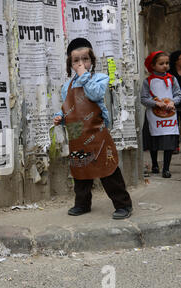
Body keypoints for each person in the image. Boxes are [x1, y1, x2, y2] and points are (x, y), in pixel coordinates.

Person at [53, 37, 133, 220]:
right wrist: (60, 117)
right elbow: (67, 107)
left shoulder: (100, 79)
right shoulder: (67, 86)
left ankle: (123, 205)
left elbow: (95, 94)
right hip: (76, 133)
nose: (81, 63)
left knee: (107, 168)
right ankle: (82, 204)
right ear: (70, 64)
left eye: (85, 59)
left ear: (92, 61)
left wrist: (85, 77)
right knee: (80, 170)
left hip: (95, 129)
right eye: (76, 61)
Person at [141, 51, 181, 178]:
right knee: (154, 141)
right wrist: (155, 103)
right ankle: (155, 165)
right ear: (153, 65)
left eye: (167, 63)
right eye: (161, 63)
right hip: (153, 116)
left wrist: (173, 102)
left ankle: (166, 169)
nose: (165, 66)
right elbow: (143, 98)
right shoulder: (148, 81)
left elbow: (178, 94)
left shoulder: (172, 79)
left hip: (169, 115)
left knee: (169, 141)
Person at [169, 50, 181, 153]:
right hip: (174, 101)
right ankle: (175, 146)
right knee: (174, 125)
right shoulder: (170, 73)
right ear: (176, 61)